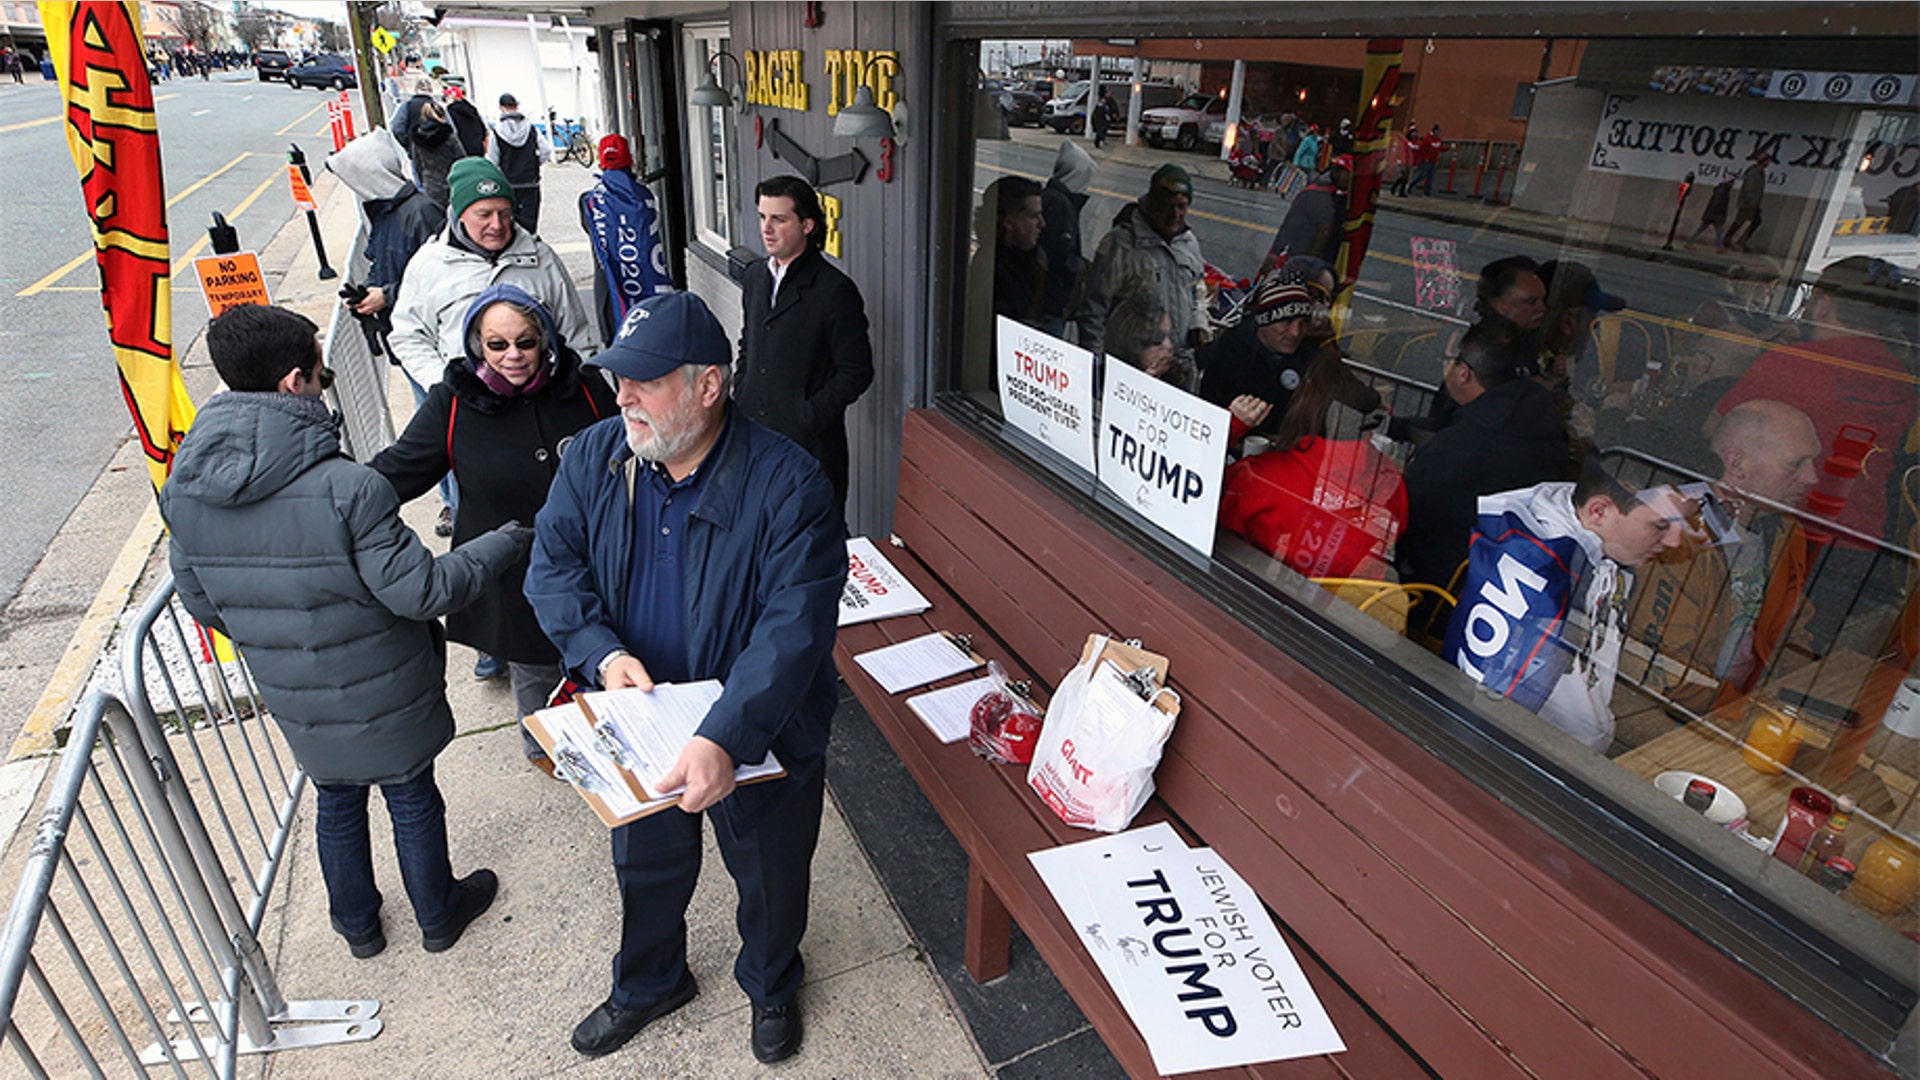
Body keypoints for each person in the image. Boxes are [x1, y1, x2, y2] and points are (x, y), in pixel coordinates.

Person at [524, 291, 845, 1065]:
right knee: (645, 867)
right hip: (639, 719)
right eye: (617, 377)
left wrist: (726, 737)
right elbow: (552, 568)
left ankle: (771, 983)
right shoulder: (599, 456)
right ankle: (650, 982)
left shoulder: (789, 482)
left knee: (770, 874)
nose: (622, 395)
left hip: (757, 734)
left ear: (708, 385)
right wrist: (602, 653)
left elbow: (793, 627)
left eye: (644, 379)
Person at [158, 304, 530, 961]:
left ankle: (358, 927)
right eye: (322, 375)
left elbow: (200, 600)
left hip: (291, 686)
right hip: (382, 679)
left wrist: (279, 636)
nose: (325, 384)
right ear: (293, 383)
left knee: (335, 797)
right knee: (411, 794)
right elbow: (423, 592)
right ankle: (438, 914)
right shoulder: (348, 488)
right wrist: (502, 542)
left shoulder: (184, 488)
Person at [372, 284, 617, 773]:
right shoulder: (454, 402)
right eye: (497, 345)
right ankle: (546, 747)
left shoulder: (586, 387)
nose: (513, 357)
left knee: (603, 649)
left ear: (545, 339)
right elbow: (395, 473)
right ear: (476, 345)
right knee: (534, 661)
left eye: (526, 342)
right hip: (511, 568)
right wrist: (326, 493)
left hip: (595, 555)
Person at [390, 155, 598, 570]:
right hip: (473, 411)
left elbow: (576, 333)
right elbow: (407, 333)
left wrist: (579, 386)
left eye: (505, 213)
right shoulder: (428, 266)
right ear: (459, 213)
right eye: (484, 214)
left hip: (543, 407)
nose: (497, 225)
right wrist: (444, 386)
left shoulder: (541, 258)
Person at [1443, 461, 1690, 752]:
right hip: (1540, 755)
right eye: (1660, 525)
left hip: (1572, 743)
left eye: (1682, 524)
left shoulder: (1599, 539)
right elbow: (1492, 703)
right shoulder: (1541, 571)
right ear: (1599, 511)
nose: (1675, 541)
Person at [1621, 400, 1821, 715]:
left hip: (1751, 703)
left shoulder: (1782, 531)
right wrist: (1745, 712)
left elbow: (1793, 629)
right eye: (1796, 464)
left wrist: (1794, 693)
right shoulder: (1675, 542)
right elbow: (1664, 673)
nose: (1812, 477)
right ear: (1737, 464)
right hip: (1684, 714)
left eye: (1813, 461)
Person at [1397, 316, 1570, 600]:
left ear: (1464, 373)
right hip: (1508, 588)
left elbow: (1405, 516)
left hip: (1438, 594)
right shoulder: (1544, 426)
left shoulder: (1458, 447)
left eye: (1448, 359)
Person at [735, 174, 876, 511]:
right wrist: (741, 391)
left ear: (807, 225)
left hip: (809, 450)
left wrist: (807, 415)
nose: (766, 228)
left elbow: (857, 372)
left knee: (808, 547)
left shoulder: (834, 290)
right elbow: (749, 343)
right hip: (754, 436)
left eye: (779, 219)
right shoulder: (756, 275)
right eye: (762, 217)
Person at [1218, 346, 1404, 580]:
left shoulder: (1259, 478)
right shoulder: (1390, 478)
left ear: (1309, 402)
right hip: (1355, 608)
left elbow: (1196, 494)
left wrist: (1232, 426)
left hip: (1262, 600)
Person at [1078, 163, 1206, 374]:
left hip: (1174, 366)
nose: (1175, 214)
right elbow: (1094, 309)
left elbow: (1197, 290)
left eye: (1181, 206)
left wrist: (1198, 326)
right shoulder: (1120, 244)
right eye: (1168, 206)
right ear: (1153, 204)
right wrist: (1094, 363)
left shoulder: (1189, 243)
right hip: (1129, 368)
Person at [324, 127, 442, 345]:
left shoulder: (421, 213)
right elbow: (383, 264)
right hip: (404, 334)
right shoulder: (386, 214)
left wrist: (386, 296)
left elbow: (442, 277)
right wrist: (366, 293)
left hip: (428, 337)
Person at [1197, 270, 1322, 451]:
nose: (1296, 332)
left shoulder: (1310, 354)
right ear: (1264, 321)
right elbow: (1206, 425)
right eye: (1286, 321)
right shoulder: (1226, 356)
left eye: (1303, 322)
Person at [579, 134, 672, 345]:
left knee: (619, 351)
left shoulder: (590, 201)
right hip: (647, 289)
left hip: (611, 295)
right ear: (629, 160)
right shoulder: (644, 197)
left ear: (601, 163)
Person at [962, 176, 1048, 391]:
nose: (1042, 224)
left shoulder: (1027, 260)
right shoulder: (991, 270)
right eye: (1033, 216)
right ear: (1009, 222)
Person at [1037, 139, 1094, 337]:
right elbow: (1058, 255)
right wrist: (1082, 269)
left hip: (1051, 300)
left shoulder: (1056, 200)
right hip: (1051, 302)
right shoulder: (1059, 204)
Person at [1261, 158, 1351, 273]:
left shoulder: (1342, 197)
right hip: (1304, 256)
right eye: (1347, 174)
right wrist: (1276, 252)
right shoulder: (1316, 194)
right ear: (1336, 172)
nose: (1349, 179)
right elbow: (1291, 225)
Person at [487, 93, 550, 233]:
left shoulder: (497, 132)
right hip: (530, 181)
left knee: (511, 223)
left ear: (502, 108)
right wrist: (534, 163)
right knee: (530, 222)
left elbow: (492, 160)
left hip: (508, 184)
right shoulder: (532, 129)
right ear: (516, 106)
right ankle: (531, 245)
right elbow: (546, 150)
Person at [1103, 290, 1189, 387]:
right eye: (1158, 338)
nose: (1168, 345)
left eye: (1170, 335)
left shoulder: (1178, 380)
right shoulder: (1105, 385)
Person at [1722, 151, 1771, 252]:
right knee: (1740, 221)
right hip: (1748, 203)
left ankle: (1739, 240)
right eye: (1767, 161)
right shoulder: (1753, 173)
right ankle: (1729, 239)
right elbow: (1749, 189)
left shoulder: (1761, 173)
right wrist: (1751, 201)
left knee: (1753, 221)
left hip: (1754, 203)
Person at [1688, 177, 1734, 250]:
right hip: (1716, 215)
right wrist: (1718, 215)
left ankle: (1690, 242)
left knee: (1702, 229)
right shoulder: (1723, 191)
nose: (1732, 185)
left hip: (1711, 214)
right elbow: (1718, 204)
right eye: (1732, 183)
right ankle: (1720, 247)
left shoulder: (1721, 190)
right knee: (1719, 232)